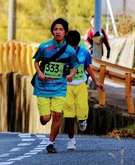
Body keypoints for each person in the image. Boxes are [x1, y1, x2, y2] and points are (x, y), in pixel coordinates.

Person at [33, 18, 79, 153]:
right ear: (52, 31)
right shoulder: (44, 47)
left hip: (60, 87)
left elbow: (75, 66)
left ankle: (50, 143)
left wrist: (71, 75)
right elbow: (36, 61)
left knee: (57, 115)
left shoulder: (70, 51)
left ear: (65, 33)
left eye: (61, 29)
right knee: (46, 118)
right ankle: (43, 118)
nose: (58, 32)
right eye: (55, 29)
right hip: (43, 86)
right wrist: (40, 72)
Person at [63, 30, 104, 150]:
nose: (72, 47)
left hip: (81, 84)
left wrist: (96, 82)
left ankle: (82, 120)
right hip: (67, 86)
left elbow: (88, 68)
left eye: (73, 45)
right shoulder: (62, 52)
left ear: (77, 43)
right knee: (69, 113)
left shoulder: (84, 52)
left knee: (82, 108)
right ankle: (71, 140)